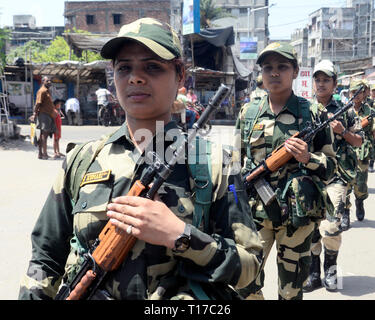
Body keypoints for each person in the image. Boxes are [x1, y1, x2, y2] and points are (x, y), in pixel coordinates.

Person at [19, 17, 262, 300]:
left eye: (152, 66)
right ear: (114, 76)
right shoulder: (82, 160)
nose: (135, 77)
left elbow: (251, 270)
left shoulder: (216, 163)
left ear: (180, 74)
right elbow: (45, 257)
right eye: (124, 68)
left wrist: (182, 237)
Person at [235, 42, 336, 300]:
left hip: (297, 218)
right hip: (255, 215)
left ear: (295, 71)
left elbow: (332, 167)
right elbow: (234, 165)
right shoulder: (249, 113)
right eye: (268, 67)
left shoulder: (314, 113)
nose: (274, 73)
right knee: (245, 285)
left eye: (282, 67)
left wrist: (308, 157)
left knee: (291, 291)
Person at [303, 60, 363, 293]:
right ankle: (314, 272)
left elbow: (359, 141)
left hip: (336, 175)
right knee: (309, 226)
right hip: (309, 174)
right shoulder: (304, 108)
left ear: (335, 84)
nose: (321, 83)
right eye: (318, 79)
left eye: (326, 79)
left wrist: (343, 132)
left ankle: (330, 268)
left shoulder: (345, 109)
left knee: (330, 225)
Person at [343, 79, 375, 228]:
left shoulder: (370, 111)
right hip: (345, 152)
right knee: (345, 183)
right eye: (353, 92)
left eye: (359, 92)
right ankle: (345, 213)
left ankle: (359, 201)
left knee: (360, 183)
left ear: (363, 94)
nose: (355, 95)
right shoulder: (343, 110)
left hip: (362, 151)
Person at [33, 76, 57, 160]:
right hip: (44, 115)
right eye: (47, 81)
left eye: (50, 80)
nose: (49, 82)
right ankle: (44, 154)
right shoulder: (42, 91)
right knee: (44, 135)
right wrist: (35, 114)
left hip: (49, 115)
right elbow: (37, 104)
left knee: (43, 135)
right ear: (43, 82)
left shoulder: (47, 91)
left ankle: (40, 153)